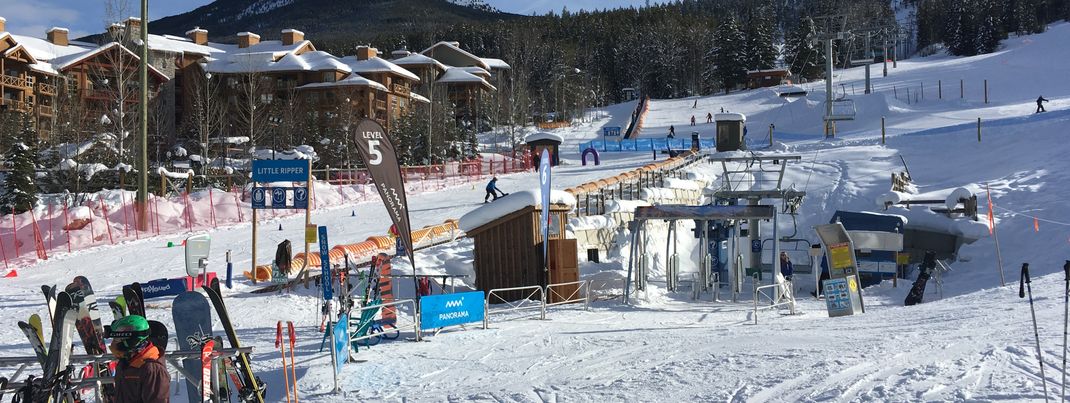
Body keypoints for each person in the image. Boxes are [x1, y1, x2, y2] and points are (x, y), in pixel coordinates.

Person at [108, 315, 169, 403]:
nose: (113, 344)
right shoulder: (126, 362)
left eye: (117, 340)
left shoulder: (152, 369)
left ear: (131, 341)